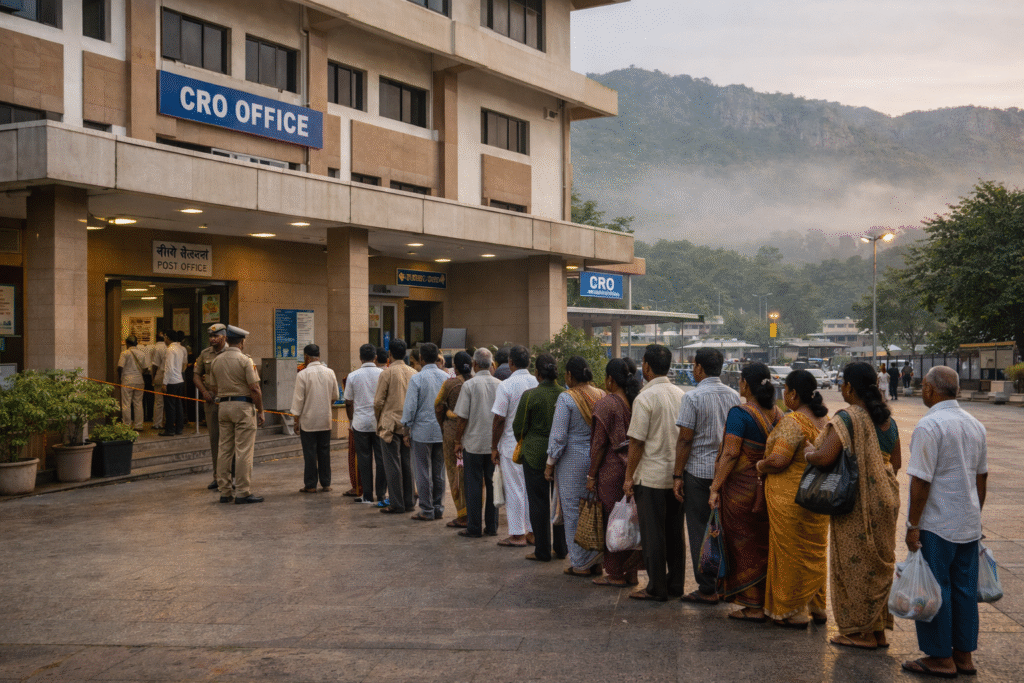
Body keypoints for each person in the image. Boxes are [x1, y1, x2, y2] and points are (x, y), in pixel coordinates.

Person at [806, 361, 901, 650]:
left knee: (855, 566)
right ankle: (877, 631)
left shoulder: (848, 418)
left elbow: (825, 457)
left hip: (857, 504)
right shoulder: (888, 420)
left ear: (848, 386)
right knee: (878, 567)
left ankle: (859, 633)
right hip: (886, 500)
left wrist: (809, 451)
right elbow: (895, 464)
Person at [901, 366, 988, 679]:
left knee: (935, 589)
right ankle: (963, 655)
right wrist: (975, 512)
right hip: (968, 525)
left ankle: (939, 657)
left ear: (928, 389)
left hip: (937, 525)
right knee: (965, 590)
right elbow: (982, 477)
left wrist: (913, 525)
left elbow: (921, 483)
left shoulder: (930, 425)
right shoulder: (975, 425)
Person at [755, 369, 830, 628]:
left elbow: (779, 460)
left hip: (791, 499)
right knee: (814, 553)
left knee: (790, 555)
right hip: (817, 497)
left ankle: (793, 611)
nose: (784, 395)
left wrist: (760, 466)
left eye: (786, 390)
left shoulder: (793, 421)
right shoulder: (824, 420)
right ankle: (817, 608)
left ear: (794, 394)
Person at [708, 362, 782, 622]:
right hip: (767, 489)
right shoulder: (777, 413)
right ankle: (766, 599)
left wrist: (714, 487)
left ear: (745, 384)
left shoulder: (740, 414)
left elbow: (730, 453)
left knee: (743, 544)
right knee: (762, 542)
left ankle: (752, 605)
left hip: (741, 492)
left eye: (740, 380)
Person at [673, 347, 741, 604]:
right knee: (724, 528)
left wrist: (677, 475)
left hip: (698, 474)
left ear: (699, 368)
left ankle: (706, 587)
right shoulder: (734, 396)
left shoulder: (693, 398)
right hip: (725, 474)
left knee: (700, 529)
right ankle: (724, 583)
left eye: (693, 366)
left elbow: (684, 441)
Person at [624, 344, 685, 602]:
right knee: (674, 533)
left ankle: (656, 587)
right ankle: (676, 584)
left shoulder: (645, 398)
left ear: (646, 366)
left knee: (653, 535)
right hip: (676, 477)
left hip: (650, 477)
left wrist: (628, 477)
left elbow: (636, 442)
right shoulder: (682, 394)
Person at [547, 356, 606, 575]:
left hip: (572, 461)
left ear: (570, 375)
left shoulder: (567, 398)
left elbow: (558, 437)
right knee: (595, 508)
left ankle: (580, 563)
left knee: (573, 511)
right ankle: (597, 560)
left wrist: (549, 464)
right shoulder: (601, 394)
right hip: (596, 459)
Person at [587, 357, 642, 586]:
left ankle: (615, 574)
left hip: (611, 469)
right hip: (634, 466)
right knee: (630, 519)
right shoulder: (636, 400)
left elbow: (599, 444)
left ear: (610, 379)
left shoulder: (606, 404)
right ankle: (631, 572)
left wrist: (591, 475)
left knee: (614, 520)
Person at [514, 353, 564, 561]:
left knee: (538, 503)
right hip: (560, 455)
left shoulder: (530, 396)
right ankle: (561, 549)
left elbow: (519, 427)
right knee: (560, 503)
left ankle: (542, 550)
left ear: (537, 373)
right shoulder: (565, 394)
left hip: (534, 454)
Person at [211, 325, 265, 504]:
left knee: (224, 450)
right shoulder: (245, 360)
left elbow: (213, 387)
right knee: (243, 451)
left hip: (223, 407)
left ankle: (225, 491)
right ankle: (243, 491)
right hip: (243, 407)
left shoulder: (216, 361)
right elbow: (255, 388)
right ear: (241, 342)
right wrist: (261, 410)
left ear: (226, 339)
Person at [491, 345, 538, 547]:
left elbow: (499, 419)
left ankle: (517, 534)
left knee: (515, 490)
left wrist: (494, 447)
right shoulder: (537, 382)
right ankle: (532, 531)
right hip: (534, 446)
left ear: (510, 363)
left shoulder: (507, 385)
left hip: (512, 445)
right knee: (530, 490)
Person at [453, 348, 501, 538]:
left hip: (473, 444)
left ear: (474, 364)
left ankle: (474, 527)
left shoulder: (469, 385)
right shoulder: (500, 385)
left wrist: (457, 441)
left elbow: (461, 418)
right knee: (492, 485)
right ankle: (492, 526)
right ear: (491, 364)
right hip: (493, 446)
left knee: (473, 485)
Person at [402, 342, 449, 521]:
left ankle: (426, 509)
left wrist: (406, 430)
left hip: (421, 431)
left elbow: (410, 407)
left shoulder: (417, 378)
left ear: (421, 358)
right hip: (442, 430)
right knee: (439, 471)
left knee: (422, 470)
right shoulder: (445, 377)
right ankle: (439, 507)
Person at [374, 339, 417, 514]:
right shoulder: (414, 372)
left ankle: (396, 503)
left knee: (392, 465)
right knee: (407, 464)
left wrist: (380, 419)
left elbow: (378, 402)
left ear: (389, 354)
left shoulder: (387, 373)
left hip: (390, 424)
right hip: (409, 425)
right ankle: (409, 501)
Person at [291, 344, 340, 493]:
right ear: (319, 355)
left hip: (308, 421)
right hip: (325, 420)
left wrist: (296, 421)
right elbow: (335, 397)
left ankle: (311, 485)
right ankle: (326, 483)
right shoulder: (330, 372)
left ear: (306, 357)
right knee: (324, 451)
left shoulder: (303, 374)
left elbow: (298, 400)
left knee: (310, 453)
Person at [435, 351, 473, 528]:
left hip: (452, 433)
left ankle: (462, 515)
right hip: (473, 433)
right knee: (473, 476)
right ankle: (474, 513)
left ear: (455, 366)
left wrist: (443, 423)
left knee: (455, 472)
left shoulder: (450, 384)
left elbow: (438, 406)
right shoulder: (474, 383)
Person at [345, 344, 386, 504]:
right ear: (375, 357)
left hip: (360, 423)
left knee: (363, 458)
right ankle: (381, 494)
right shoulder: (383, 373)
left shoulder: (353, 376)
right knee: (381, 459)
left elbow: (348, 401)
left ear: (360, 358)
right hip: (379, 422)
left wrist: (351, 421)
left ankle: (367, 495)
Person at [193, 324, 228, 490]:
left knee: (229, 440)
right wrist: (204, 392)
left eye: (216, 336)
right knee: (215, 440)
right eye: (211, 336)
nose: (213, 339)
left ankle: (230, 476)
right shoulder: (205, 354)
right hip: (212, 402)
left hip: (229, 401)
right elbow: (196, 376)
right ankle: (217, 476)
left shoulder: (233, 352)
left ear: (224, 336)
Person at [160, 330, 188, 436]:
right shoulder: (180, 348)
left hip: (171, 381)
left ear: (168, 338)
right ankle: (179, 428)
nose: (164, 340)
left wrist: (164, 383)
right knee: (178, 405)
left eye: (165, 338)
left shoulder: (170, 349)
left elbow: (169, 368)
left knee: (170, 406)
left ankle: (170, 429)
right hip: (180, 380)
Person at [116, 335, 147, 430]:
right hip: (139, 380)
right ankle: (139, 425)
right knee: (138, 403)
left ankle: (127, 424)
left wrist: (119, 379)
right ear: (136, 343)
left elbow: (120, 367)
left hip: (127, 380)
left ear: (127, 343)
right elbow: (145, 368)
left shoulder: (125, 353)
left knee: (126, 403)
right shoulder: (141, 354)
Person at [148, 332, 168, 431]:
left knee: (159, 401)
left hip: (160, 375)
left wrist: (153, 378)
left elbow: (154, 365)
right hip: (172, 377)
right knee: (170, 401)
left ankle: (157, 423)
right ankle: (168, 421)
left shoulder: (156, 348)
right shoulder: (172, 347)